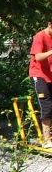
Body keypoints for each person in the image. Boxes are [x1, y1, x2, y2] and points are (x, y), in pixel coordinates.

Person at [29, 20, 52, 148]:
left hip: (50, 75)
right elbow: (38, 57)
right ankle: (46, 140)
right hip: (39, 75)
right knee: (47, 106)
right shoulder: (40, 36)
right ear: (50, 25)